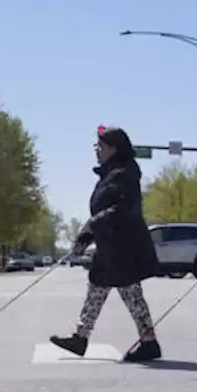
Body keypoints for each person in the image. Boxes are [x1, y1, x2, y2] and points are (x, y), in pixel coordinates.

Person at [50, 126, 162, 363]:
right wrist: (86, 236)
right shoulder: (110, 174)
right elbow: (104, 212)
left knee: (131, 294)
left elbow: (122, 209)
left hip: (125, 247)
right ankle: (80, 337)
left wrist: (92, 225)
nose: (97, 151)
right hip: (109, 246)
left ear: (114, 148)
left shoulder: (127, 173)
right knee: (97, 289)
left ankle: (149, 342)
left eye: (100, 147)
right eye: (96, 147)